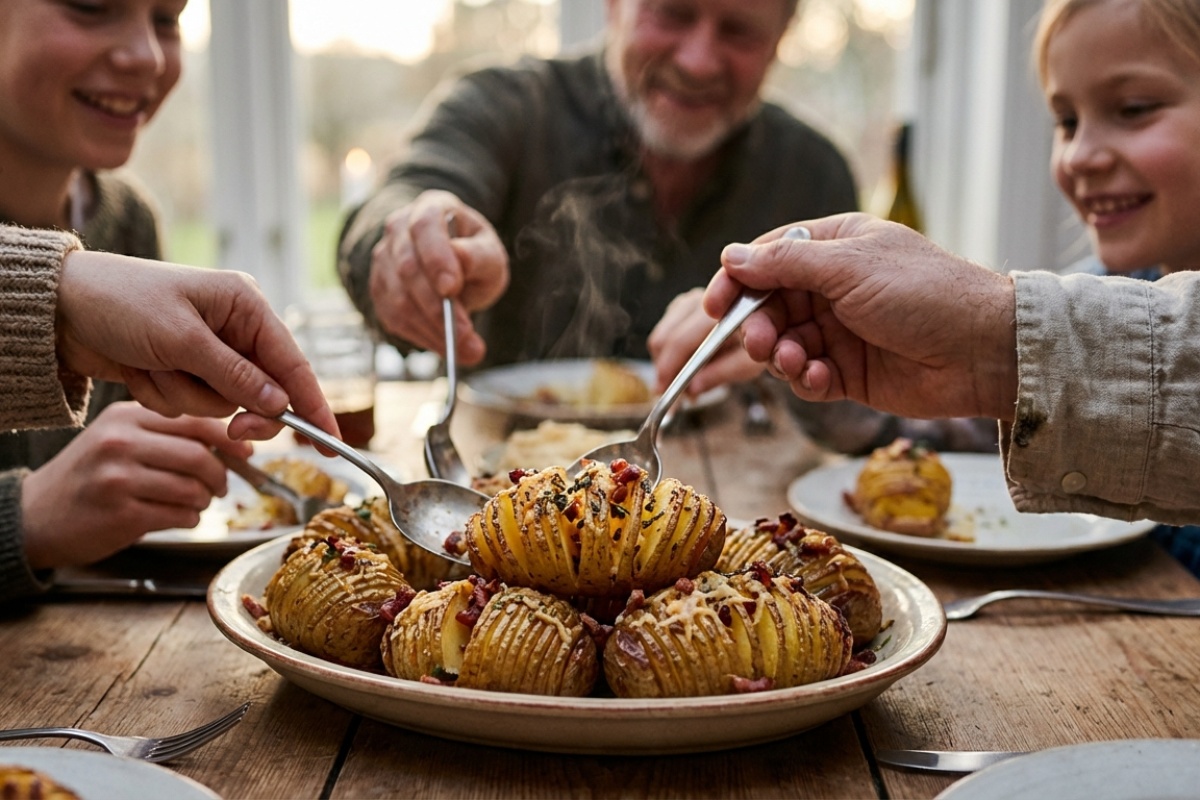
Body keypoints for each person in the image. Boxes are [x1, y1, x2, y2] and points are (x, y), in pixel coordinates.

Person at [0, 0, 335, 601]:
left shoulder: (128, 224)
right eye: (92, 7)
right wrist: (25, 520)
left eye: (167, 19)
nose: (148, 56)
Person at [337, 0, 858, 372]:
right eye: (672, 13)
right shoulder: (508, 106)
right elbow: (401, 198)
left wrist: (786, 344)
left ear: (779, 41)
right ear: (613, 7)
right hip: (498, 493)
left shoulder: (814, 174)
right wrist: (413, 240)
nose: (698, 61)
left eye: (739, 30)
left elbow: (847, 399)